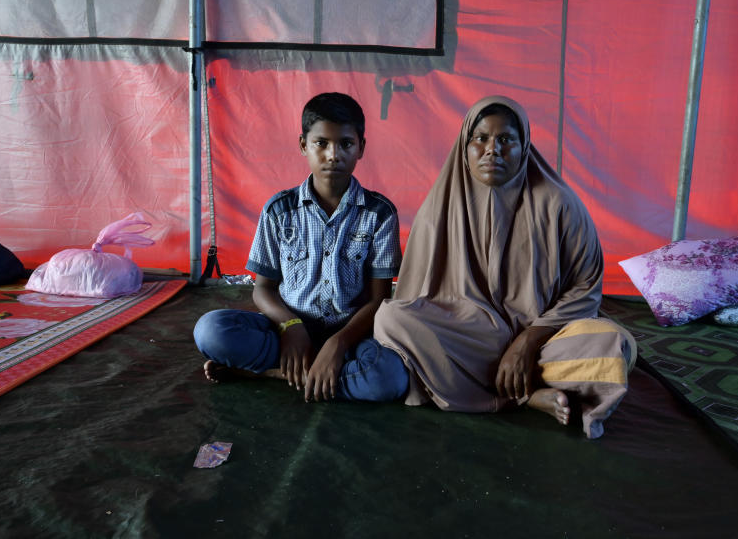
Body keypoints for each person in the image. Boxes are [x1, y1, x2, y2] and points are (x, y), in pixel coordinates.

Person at [373, 95, 636, 438]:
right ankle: (525, 395)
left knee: (612, 344)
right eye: (480, 138)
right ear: (464, 148)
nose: (492, 149)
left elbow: (586, 288)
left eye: (505, 140)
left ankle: (478, 382)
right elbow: (416, 294)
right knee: (391, 318)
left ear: (524, 146)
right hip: (467, 334)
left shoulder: (560, 205)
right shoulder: (438, 210)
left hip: (545, 336)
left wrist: (526, 342)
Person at [194, 92, 408, 403]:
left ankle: (275, 373)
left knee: (389, 377)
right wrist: (291, 326)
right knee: (210, 330)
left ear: (361, 147)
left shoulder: (379, 214)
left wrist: (338, 345)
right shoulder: (279, 210)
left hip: (351, 336)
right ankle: (310, 372)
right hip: (288, 334)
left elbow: (379, 300)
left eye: (346, 144)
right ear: (303, 145)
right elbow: (262, 289)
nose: (333, 154)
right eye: (321, 143)